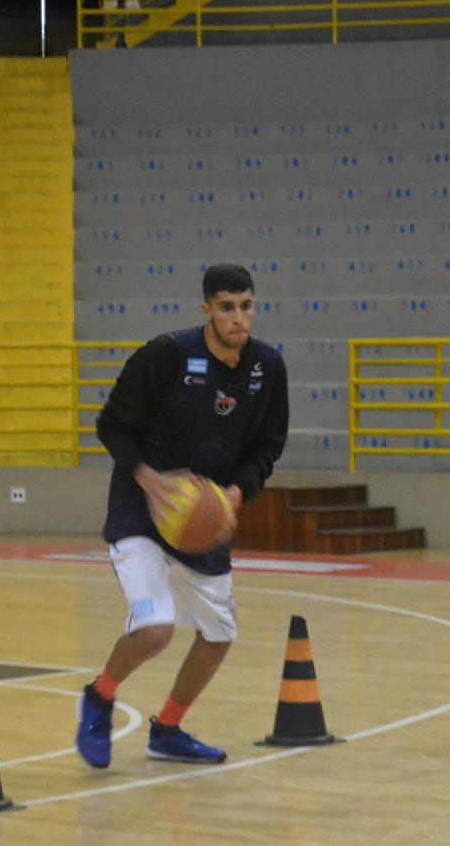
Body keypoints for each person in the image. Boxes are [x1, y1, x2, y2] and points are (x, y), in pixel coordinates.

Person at [76, 263, 289, 768]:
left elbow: (268, 448)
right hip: (143, 509)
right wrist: (149, 480)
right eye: (226, 307)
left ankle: (167, 729)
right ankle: (100, 697)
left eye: (246, 306)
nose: (238, 318)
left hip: (205, 514)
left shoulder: (268, 369)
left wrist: (236, 494)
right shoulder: (167, 355)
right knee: (156, 629)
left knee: (218, 636)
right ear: (207, 311)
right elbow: (111, 427)